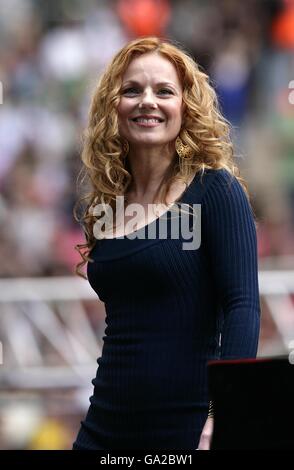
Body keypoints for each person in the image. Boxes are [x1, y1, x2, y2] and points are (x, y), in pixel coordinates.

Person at [72, 36, 261, 450]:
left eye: (164, 91)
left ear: (185, 106)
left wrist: (223, 414)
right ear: (113, 106)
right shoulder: (108, 201)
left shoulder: (215, 190)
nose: (147, 101)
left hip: (187, 424)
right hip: (106, 423)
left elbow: (242, 308)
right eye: (132, 90)